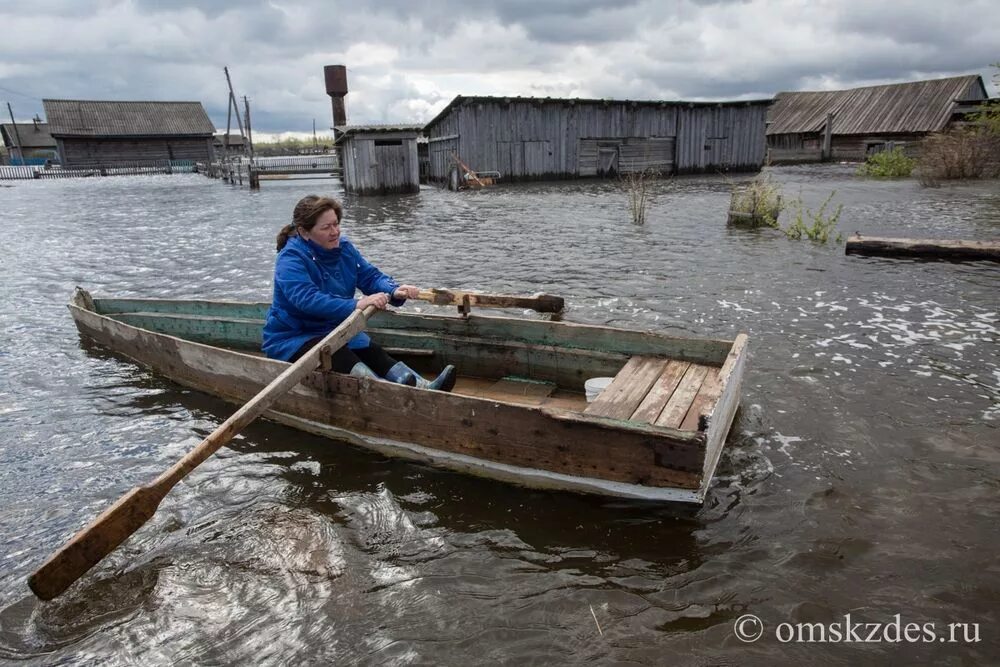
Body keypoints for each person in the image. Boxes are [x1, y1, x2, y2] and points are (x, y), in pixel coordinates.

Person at [262, 195, 456, 391]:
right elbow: (307, 299)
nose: (335, 232)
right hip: (295, 336)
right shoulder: (291, 258)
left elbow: (370, 277)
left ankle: (423, 386)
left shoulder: (344, 248)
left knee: (372, 352)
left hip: (333, 328)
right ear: (304, 232)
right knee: (342, 357)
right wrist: (356, 305)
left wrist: (394, 290)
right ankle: (383, 392)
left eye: (336, 224)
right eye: (326, 227)